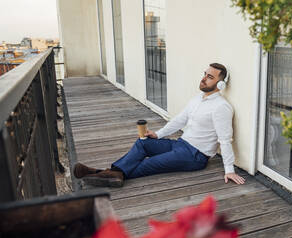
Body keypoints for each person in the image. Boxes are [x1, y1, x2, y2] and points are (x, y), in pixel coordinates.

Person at [73, 63, 245, 187]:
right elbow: (180, 120)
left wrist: (229, 169)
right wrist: (158, 134)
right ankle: (111, 174)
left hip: (195, 156)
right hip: (180, 144)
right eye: (205, 74)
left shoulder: (221, 107)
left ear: (220, 84)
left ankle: (100, 173)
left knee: (149, 164)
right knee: (143, 142)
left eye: (210, 77)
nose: (204, 78)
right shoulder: (197, 99)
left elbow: (225, 139)